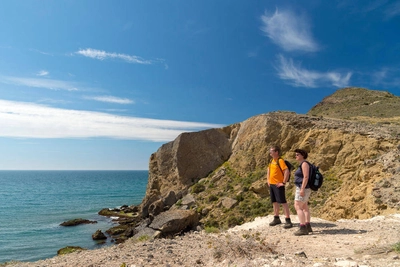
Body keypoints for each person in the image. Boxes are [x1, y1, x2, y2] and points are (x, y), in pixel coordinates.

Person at [267, 145, 293, 229]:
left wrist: (283, 182)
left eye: (271, 151)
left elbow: (286, 171)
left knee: (283, 202)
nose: (270, 153)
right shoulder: (272, 160)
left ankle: (288, 220)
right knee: (274, 201)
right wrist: (268, 180)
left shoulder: (280, 161)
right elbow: (269, 170)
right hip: (272, 184)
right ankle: (276, 218)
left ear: (276, 152)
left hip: (278, 184)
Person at [293, 148, 313, 236]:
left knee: (297, 206)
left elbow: (305, 177)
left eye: (297, 155)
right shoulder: (304, 164)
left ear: (303, 156)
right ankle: (308, 225)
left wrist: (302, 189)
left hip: (303, 188)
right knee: (305, 206)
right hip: (305, 188)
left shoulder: (304, 164)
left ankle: (302, 227)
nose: (296, 156)